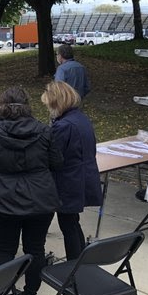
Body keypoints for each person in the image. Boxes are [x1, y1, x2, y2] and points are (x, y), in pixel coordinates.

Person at [0, 86, 63, 295]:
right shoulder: (45, 131)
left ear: (2, 106)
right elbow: (57, 162)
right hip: (40, 195)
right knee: (35, 248)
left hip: (6, 196)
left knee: (5, 248)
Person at [41, 81, 102, 260]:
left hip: (68, 181)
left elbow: (53, 157)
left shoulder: (64, 126)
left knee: (68, 224)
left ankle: (75, 263)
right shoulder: (81, 118)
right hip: (80, 177)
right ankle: (79, 260)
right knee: (71, 222)